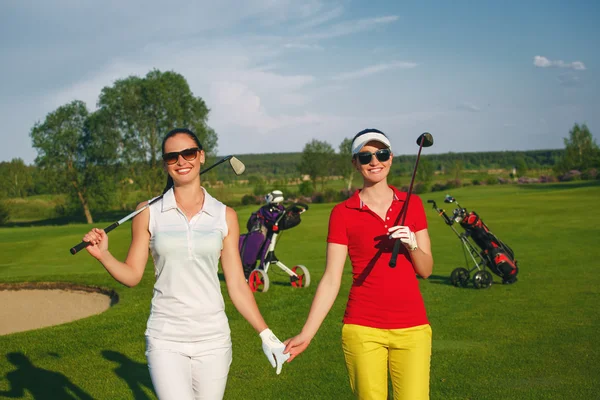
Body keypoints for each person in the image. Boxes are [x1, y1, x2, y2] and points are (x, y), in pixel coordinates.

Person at [81, 128, 289, 400]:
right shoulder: (148, 212)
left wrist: (265, 333)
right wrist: (104, 256)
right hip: (166, 337)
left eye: (188, 153)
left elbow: (237, 284)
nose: (181, 161)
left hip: (213, 338)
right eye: (172, 156)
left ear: (201, 156)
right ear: (165, 164)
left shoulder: (224, 215)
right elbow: (132, 275)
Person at [284, 128, 434, 400]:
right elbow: (331, 278)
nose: (375, 161)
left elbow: (426, 270)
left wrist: (412, 244)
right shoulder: (342, 213)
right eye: (365, 157)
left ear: (391, 158)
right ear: (355, 163)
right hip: (362, 328)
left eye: (382, 154)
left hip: (413, 328)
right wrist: (307, 333)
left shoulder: (412, 204)